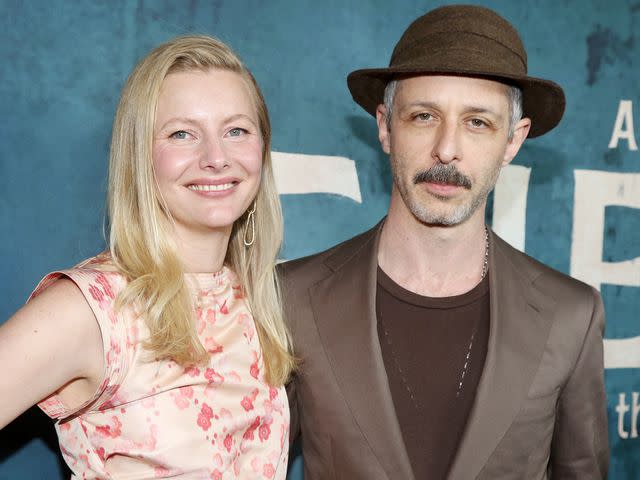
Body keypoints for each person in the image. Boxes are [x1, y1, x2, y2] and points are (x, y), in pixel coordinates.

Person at [281, 5, 608, 480]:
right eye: (423, 116)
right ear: (385, 126)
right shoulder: (289, 298)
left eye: (478, 122)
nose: (447, 148)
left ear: (514, 141)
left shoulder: (571, 316)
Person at [0, 35, 294, 479]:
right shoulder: (93, 309)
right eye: (182, 134)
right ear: (140, 157)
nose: (216, 157)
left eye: (236, 130)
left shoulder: (255, 300)